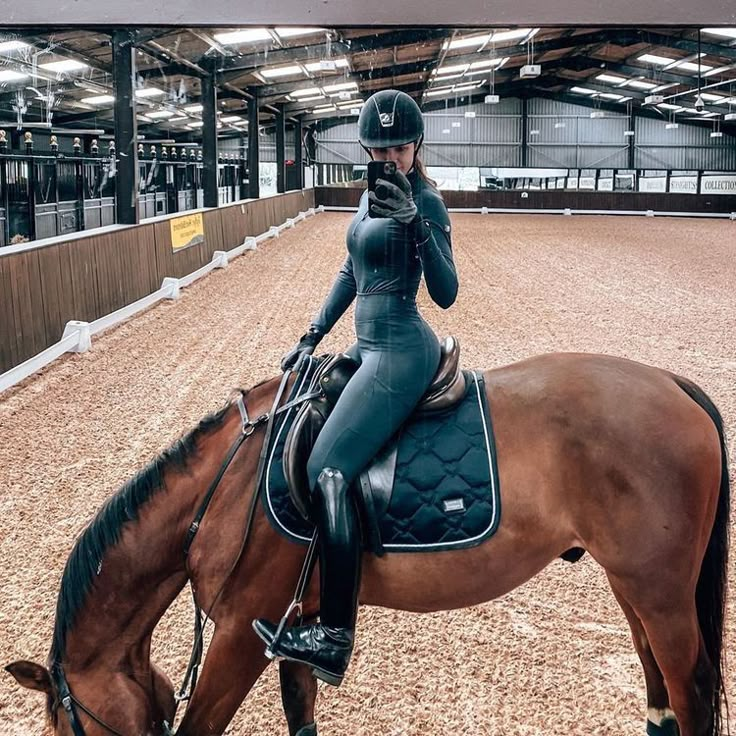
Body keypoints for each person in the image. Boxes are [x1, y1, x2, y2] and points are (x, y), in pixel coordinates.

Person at [253, 88, 458, 686]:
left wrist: (415, 223)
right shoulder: (369, 198)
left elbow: (446, 293)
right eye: (380, 146)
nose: (391, 155)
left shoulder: (427, 201)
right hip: (365, 345)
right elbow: (351, 269)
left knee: (329, 470)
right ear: (366, 148)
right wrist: (312, 334)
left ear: (416, 144)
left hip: (401, 350)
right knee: (301, 417)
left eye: (400, 145)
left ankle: (334, 635)